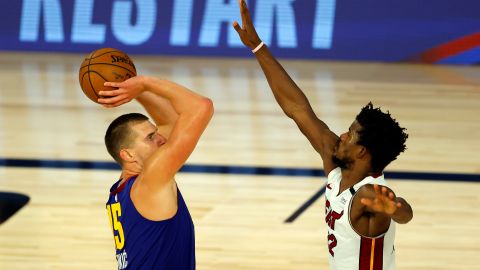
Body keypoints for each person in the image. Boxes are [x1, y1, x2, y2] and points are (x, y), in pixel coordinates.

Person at [232, 1, 413, 269]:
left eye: (350, 135)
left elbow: (404, 212)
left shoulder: (370, 194)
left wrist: (395, 209)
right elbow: (297, 108)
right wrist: (258, 48)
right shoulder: (336, 165)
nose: (341, 135)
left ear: (362, 151)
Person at [99, 75, 214, 270]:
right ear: (128, 154)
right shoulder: (152, 180)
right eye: (150, 137)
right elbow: (202, 106)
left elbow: (170, 122)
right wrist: (145, 83)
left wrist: (134, 89)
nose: (161, 139)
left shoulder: (120, 189)